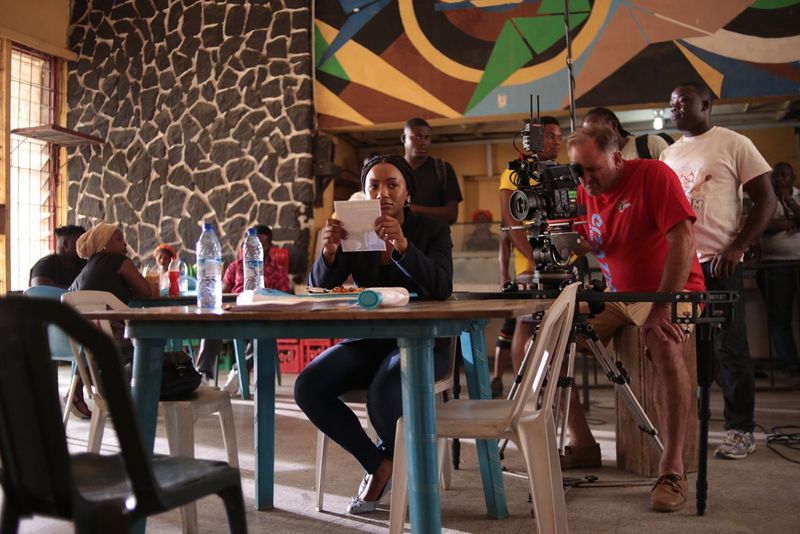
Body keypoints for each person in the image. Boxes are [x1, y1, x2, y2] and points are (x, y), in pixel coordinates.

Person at [294, 154, 453, 515]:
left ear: (407, 192)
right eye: (373, 186)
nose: (382, 193)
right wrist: (330, 250)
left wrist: (404, 248)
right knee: (308, 386)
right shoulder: (355, 229)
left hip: (423, 342)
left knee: (384, 392)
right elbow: (320, 287)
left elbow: (442, 287)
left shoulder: (431, 230)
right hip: (370, 341)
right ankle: (379, 464)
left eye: (392, 184)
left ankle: (409, 477)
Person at [565, 125, 706, 512]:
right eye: (578, 170)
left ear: (617, 158)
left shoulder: (653, 175)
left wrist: (663, 305)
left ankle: (672, 469)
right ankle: (584, 443)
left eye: (592, 169)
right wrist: (579, 246)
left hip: (672, 290)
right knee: (551, 338)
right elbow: (593, 239)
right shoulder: (583, 191)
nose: (586, 179)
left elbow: (684, 240)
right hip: (618, 296)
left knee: (663, 342)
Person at [660, 82, 776, 460]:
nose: (675, 109)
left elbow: (766, 200)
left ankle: (740, 430)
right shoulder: (669, 155)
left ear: (706, 104)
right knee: (685, 349)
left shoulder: (733, 142)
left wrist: (738, 246)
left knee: (731, 349)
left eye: (683, 102)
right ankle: (688, 429)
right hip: (682, 268)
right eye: (672, 104)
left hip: (721, 264)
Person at [493, 115, 561, 397]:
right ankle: (524, 392)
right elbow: (511, 223)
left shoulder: (559, 172)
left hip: (561, 262)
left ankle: (551, 389)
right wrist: (534, 260)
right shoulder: (513, 175)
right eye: (549, 135)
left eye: (559, 136)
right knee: (525, 323)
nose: (556, 141)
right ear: (533, 139)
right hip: (530, 266)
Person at [68, 223, 153, 418]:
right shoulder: (119, 261)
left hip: (86, 340)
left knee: (96, 335)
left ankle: (77, 388)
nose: (125, 244)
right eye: (119, 239)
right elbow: (146, 291)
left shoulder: (86, 269)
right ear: (105, 245)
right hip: (116, 342)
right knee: (144, 339)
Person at [195, 225, 290, 390]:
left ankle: (239, 374)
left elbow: (284, 297)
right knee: (212, 327)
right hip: (234, 312)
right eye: (252, 244)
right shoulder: (236, 266)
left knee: (262, 335)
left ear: (269, 246)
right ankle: (201, 375)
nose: (255, 247)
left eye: (261, 244)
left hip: (260, 317)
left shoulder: (277, 270)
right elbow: (222, 292)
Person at [755, 162, 800, 374]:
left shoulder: (798, 196)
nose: (779, 179)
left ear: (793, 177)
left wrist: (789, 201)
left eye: (784, 175)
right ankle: (791, 366)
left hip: (797, 262)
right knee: (780, 318)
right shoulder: (765, 199)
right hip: (774, 266)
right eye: (776, 176)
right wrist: (791, 223)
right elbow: (763, 226)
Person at [402, 117, 463, 224]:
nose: (423, 142)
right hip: (400, 237)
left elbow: (452, 215)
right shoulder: (394, 169)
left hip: (436, 239)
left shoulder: (443, 169)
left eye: (427, 138)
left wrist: (414, 209)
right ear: (403, 138)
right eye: (417, 137)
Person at [582, 106, 670, 161]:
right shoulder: (603, 163)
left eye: (595, 127)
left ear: (613, 124)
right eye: (588, 133)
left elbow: (675, 176)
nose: (593, 135)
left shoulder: (651, 144)